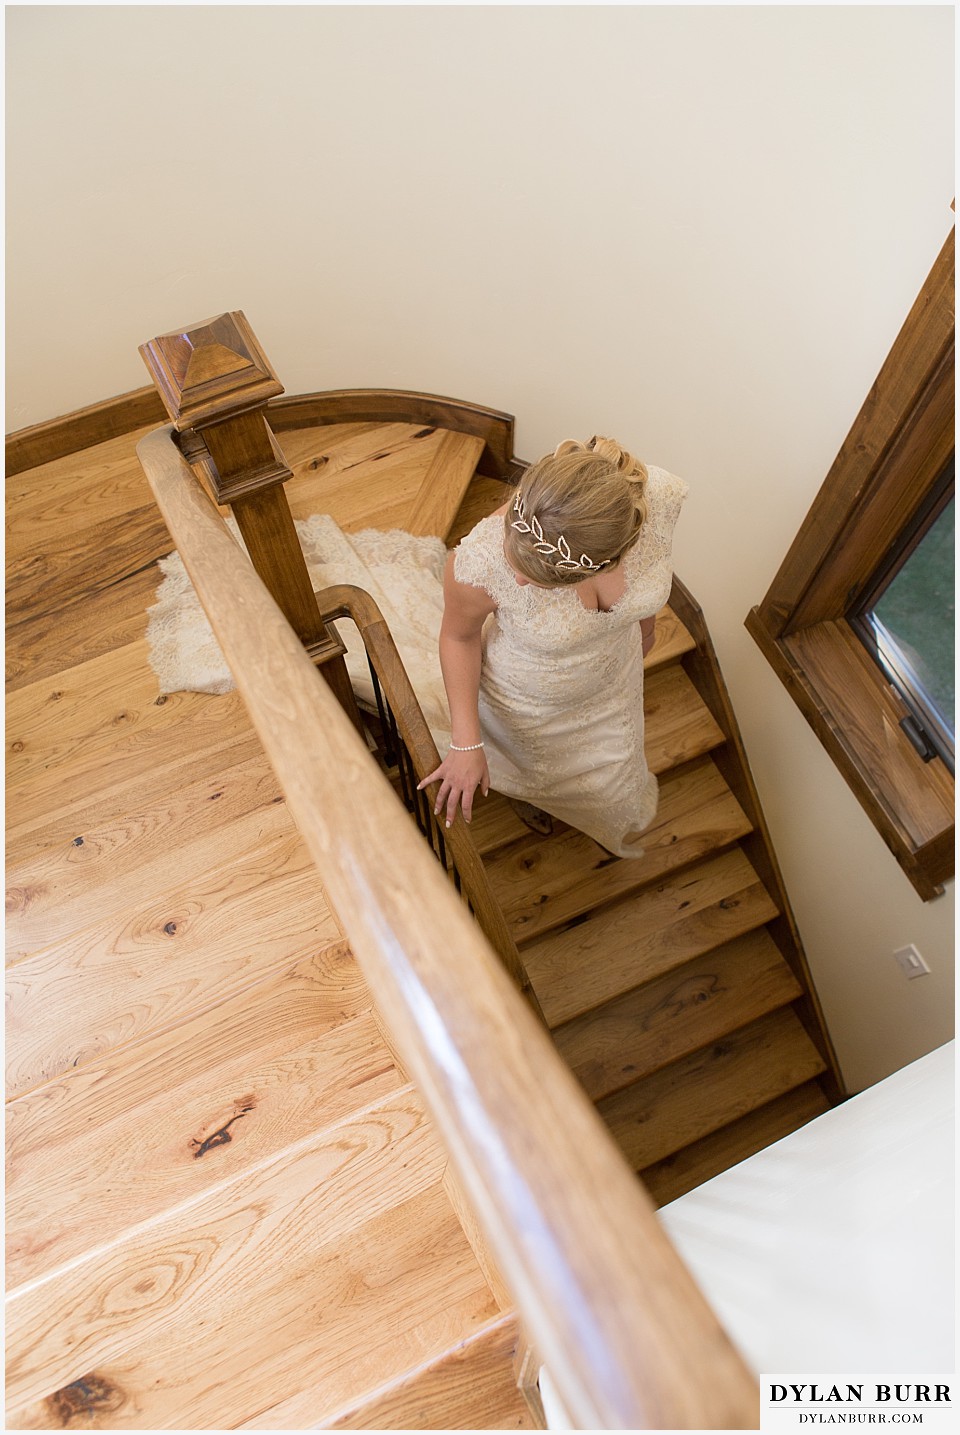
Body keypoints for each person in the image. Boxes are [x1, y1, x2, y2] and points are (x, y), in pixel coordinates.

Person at [418, 436, 688, 857]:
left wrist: (645, 632)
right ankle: (527, 793)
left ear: (609, 557)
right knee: (533, 769)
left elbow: (650, 571)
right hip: (526, 697)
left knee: (609, 778)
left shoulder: (651, 499)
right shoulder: (479, 563)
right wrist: (467, 744)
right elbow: (458, 635)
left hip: (617, 678)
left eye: (535, 578)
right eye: (515, 564)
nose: (518, 581)